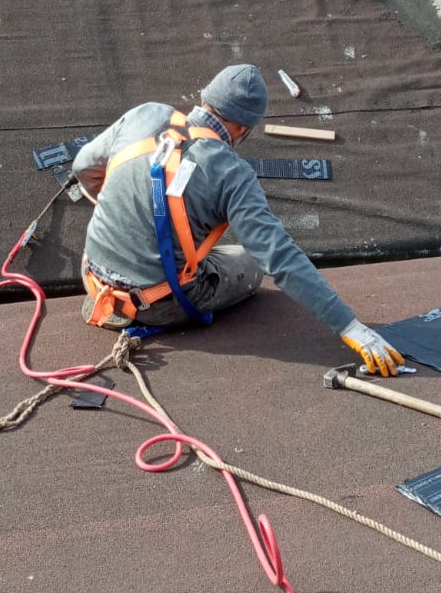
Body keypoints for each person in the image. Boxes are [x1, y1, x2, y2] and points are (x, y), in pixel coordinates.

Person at [72, 63, 408, 377]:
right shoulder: (231, 174)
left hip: (92, 278)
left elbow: (83, 166)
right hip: (156, 305)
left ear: (205, 97)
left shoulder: (147, 114)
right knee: (250, 263)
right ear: (244, 128)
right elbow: (279, 257)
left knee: (192, 249)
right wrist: (349, 326)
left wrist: (128, 214)